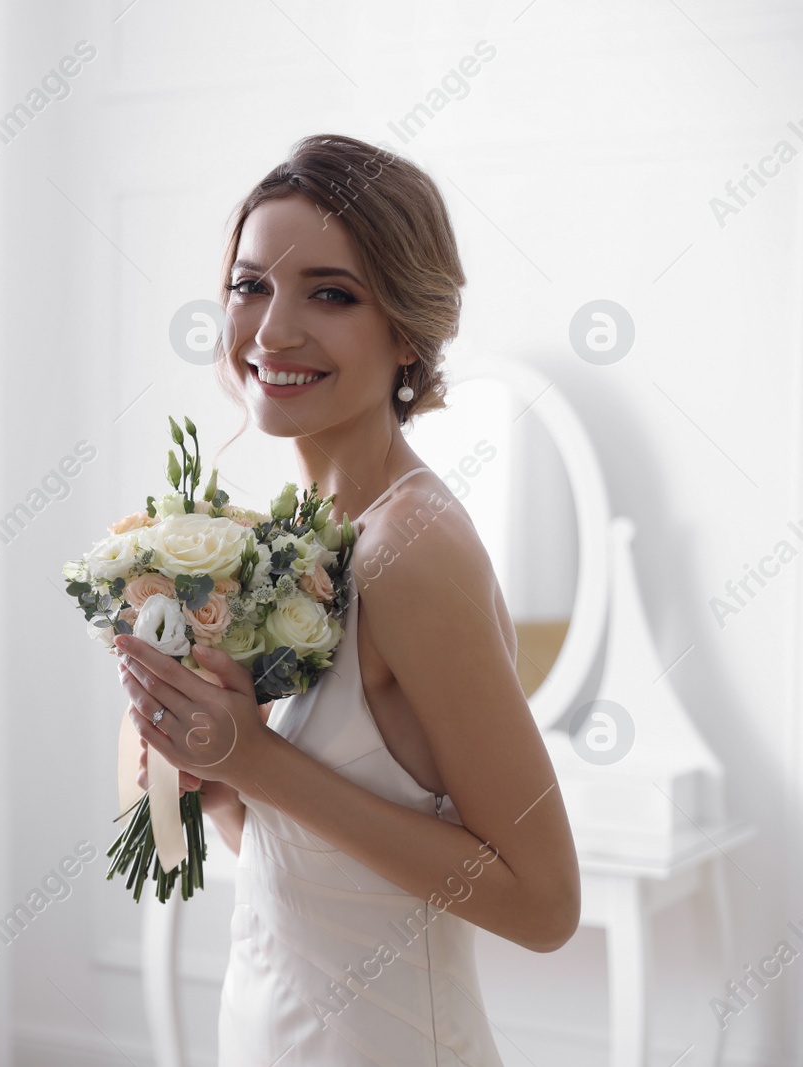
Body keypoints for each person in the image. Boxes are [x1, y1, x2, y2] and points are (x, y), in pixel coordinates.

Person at [119, 133, 579, 1066]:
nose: (273, 330)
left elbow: (544, 903)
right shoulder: (300, 543)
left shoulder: (409, 547)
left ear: (407, 327)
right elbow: (303, 861)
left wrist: (257, 757)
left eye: (330, 293)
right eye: (251, 285)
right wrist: (198, 748)